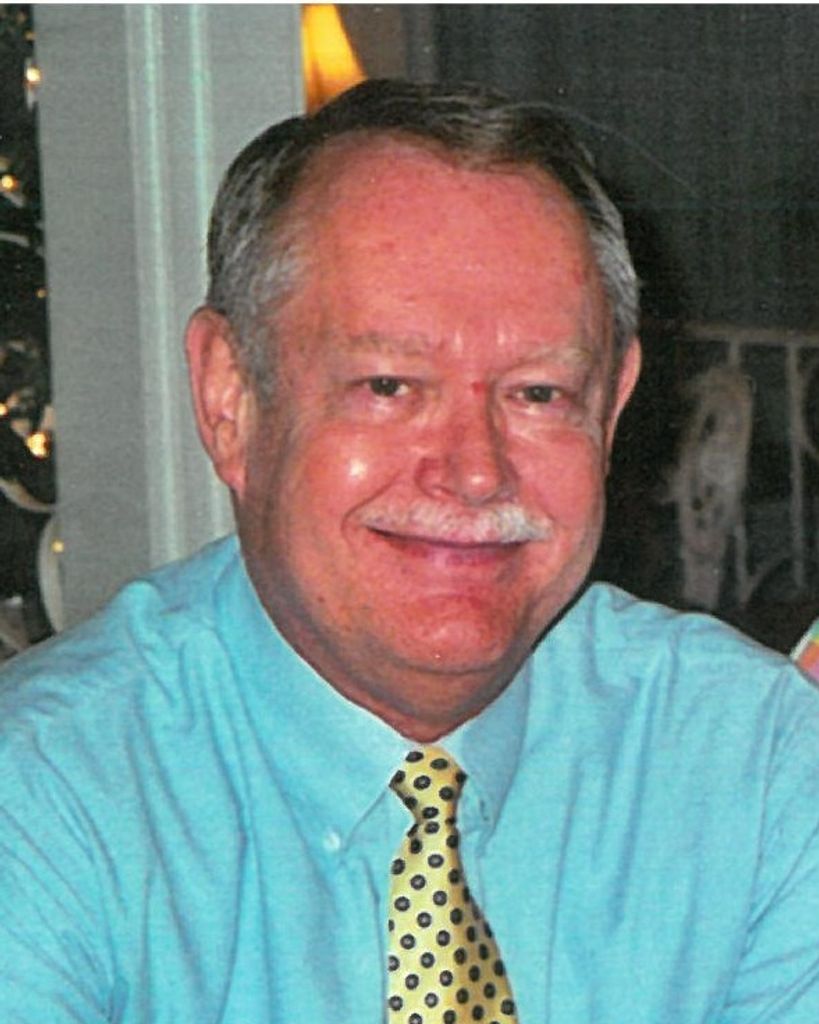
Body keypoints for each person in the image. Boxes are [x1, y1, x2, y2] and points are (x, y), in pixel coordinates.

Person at [1, 79, 819, 1024]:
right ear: (231, 398)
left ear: (611, 408)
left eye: (538, 394)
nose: (474, 473)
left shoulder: (752, 760)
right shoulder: (46, 798)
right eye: (389, 385)